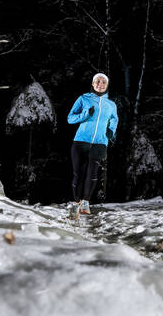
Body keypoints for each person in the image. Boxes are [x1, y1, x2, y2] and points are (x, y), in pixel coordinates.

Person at [67, 73, 118, 219]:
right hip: (81, 141)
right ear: (93, 83)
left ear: (107, 85)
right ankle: (77, 201)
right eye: (98, 81)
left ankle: (85, 203)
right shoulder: (84, 98)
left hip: (100, 143)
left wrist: (111, 131)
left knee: (93, 174)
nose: (100, 84)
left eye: (103, 82)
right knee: (78, 174)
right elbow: (70, 118)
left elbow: (114, 120)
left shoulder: (111, 105)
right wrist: (85, 114)